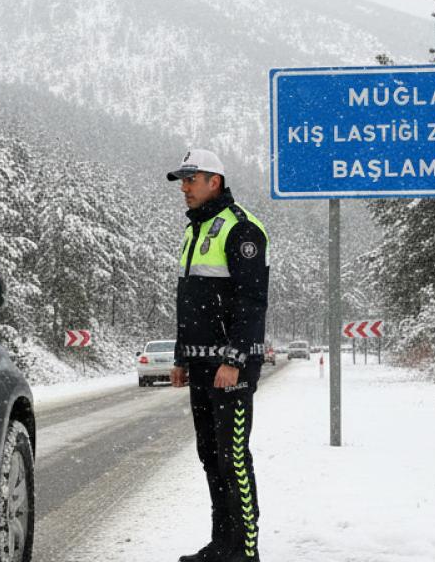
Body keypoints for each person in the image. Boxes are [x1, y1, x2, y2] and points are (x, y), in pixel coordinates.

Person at [167, 149, 270, 562]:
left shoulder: (242, 230)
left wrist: (234, 358)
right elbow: (188, 301)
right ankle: (221, 544)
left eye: (192, 179)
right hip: (200, 364)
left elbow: (251, 302)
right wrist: (180, 356)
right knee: (211, 456)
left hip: (231, 367)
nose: (185, 188)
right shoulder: (195, 231)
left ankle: (245, 549)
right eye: (182, 180)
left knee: (233, 458)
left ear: (216, 181)